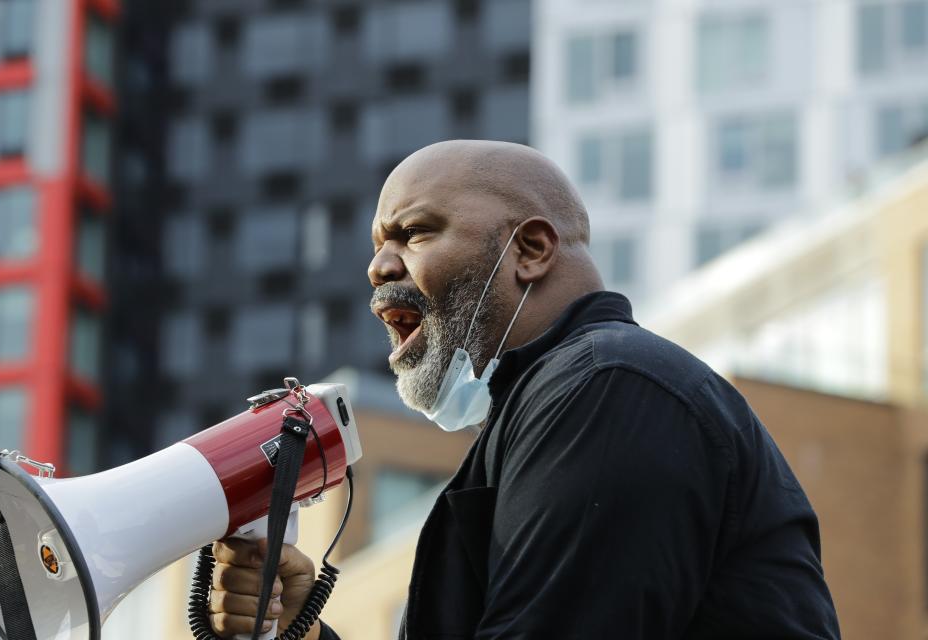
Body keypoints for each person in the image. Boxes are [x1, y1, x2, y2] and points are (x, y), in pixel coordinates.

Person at [208, 140, 841, 639]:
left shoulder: (606, 390)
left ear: (531, 250)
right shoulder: (562, 402)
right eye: (378, 245)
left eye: (415, 232)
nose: (378, 267)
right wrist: (308, 632)